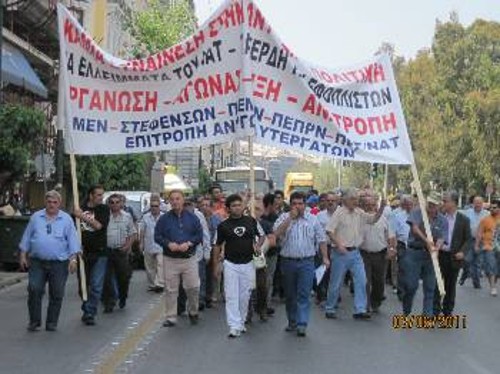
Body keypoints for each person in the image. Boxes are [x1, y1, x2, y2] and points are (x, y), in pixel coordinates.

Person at [19, 190, 80, 332]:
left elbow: (72, 240)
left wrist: (73, 259)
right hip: (37, 262)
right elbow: (27, 237)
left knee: (57, 293)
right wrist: (23, 255)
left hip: (59, 263)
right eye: (49, 202)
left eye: (55, 202)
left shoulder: (66, 219)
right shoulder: (36, 217)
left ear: (59, 203)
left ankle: (51, 322)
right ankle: (34, 321)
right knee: (34, 289)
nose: (51, 205)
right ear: (45, 202)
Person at [325, 188, 386, 320]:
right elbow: (329, 231)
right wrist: (339, 245)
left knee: (362, 280)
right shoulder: (339, 213)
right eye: (353, 199)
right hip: (341, 252)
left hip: (355, 252)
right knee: (336, 282)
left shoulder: (359, 212)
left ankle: (360, 309)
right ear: (345, 200)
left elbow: (373, 219)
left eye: (357, 199)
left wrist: (381, 208)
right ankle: (330, 307)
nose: (356, 202)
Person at [274, 191, 329, 337]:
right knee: (290, 295)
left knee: (303, 294)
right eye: (294, 204)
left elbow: (321, 239)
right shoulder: (284, 218)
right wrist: (289, 220)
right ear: (290, 205)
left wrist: (325, 257)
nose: (297, 206)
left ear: (305, 205)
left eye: (300, 203)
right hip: (288, 262)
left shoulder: (313, 219)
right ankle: (292, 321)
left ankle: (302, 323)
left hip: (307, 262)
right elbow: (276, 234)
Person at [213, 194, 265, 337]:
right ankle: (233, 325)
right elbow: (217, 245)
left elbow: (262, 235)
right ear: (229, 208)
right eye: (233, 205)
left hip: (248, 263)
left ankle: (241, 322)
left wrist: (258, 246)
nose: (237, 208)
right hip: (230, 264)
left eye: (239, 205)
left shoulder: (251, 221)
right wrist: (217, 263)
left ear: (243, 206)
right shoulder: (223, 225)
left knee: (244, 295)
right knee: (231, 295)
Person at [155, 190, 203, 327]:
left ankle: (193, 311)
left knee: (193, 287)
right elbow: (157, 236)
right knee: (170, 289)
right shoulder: (164, 219)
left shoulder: (193, 218)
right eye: (172, 199)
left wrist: (188, 243)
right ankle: (171, 317)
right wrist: (168, 244)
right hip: (170, 258)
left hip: (189, 258)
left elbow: (199, 235)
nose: (175, 202)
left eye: (178, 199)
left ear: (183, 200)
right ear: (169, 202)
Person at [402, 192, 446, 316]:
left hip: (430, 256)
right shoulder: (417, 212)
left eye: (434, 204)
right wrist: (427, 241)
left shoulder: (442, 220)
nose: (431, 206)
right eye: (430, 203)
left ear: (439, 205)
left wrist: (437, 248)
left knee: (430, 287)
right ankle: (406, 311)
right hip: (414, 253)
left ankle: (427, 316)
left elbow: (442, 237)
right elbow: (414, 229)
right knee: (411, 286)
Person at [75, 184, 110, 326]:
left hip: (100, 252)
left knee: (96, 285)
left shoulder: (103, 209)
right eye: (98, 195)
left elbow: (98, 226)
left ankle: (90, 312)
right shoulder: (80, 207)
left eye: (102, 195)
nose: (101, 198)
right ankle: (87, 308)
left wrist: (81, 216)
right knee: (83, 286)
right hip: (83, 253)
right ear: (91, 196)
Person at [433, 192, 471, 315]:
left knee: (450, 285)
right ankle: (435, 310)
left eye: (445, 201)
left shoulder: (463, 220)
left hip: (454, 257)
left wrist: (462, 252)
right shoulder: (438, 217)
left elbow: (468, 239)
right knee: (437, 284)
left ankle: (447, 311)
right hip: (440, 255)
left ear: (453, 203)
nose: (443, 203)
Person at [102, 193, 137, 313]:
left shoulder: (127, 216)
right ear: (108, 204)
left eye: (117, 202)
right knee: (106, 278)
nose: (115, 204)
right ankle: (109, 302)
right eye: (112, 202)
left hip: (121, 251)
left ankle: (123, 297)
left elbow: (133, 233)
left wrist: (127, 246)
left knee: (123, 277)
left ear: (121, 203)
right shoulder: (105, 216)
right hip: (107, 251)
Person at [360, 195, 394, 313]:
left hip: (380, 254)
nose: (370, 207)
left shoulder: (384, 219)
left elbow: (391, 236)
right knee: (365, 280)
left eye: (373, 205)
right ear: (363, 206)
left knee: (379, 281)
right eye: (367, 205)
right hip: (363, 254)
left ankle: (376, 301)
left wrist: (391, 249)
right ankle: (366, 305)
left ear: (377, 206)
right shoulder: (360, 218)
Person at [460, 196, 489, 288]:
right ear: (473, 204)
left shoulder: (487, 214)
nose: (478, 205)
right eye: (476, 203)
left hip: (481, 241)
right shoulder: (467, 213)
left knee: (477, 263)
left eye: (480, 203)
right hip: (469, 240)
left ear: (483, 204)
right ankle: (465, 273)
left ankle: (476, 283)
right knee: (467, 261)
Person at [198, 197, 223, 308]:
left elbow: (222, 235)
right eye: (202, 205)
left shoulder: (217, 219)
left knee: (213, 274)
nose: (205, 207)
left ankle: (211, 296)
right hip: (201, 249)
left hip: (214, 249)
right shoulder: (197, 218)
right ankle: (201, 298)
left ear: (211, 207)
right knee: (201, 274)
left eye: (207, 205)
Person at [315, 192, 339, 303]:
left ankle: (334, 294)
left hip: (338, 247)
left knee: (335, 272)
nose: (330, 203)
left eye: (333, 201)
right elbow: (317, 233)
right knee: (323, 272)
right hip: (324, 247)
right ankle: (321, 295)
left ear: (337, 202)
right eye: (328, 200)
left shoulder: (341, 215)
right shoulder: (320, 216)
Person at [388, 195, 414, 300]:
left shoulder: (418, 216)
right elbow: (393, 232)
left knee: (411, 269)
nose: (409, 206)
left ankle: (409, 289)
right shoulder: (398, 216)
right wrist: (392, 247)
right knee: (402, 268)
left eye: (411, 204)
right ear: (403, 205)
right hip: (402, 244)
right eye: (407, 204)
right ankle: (401, 291)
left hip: (413, 245)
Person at [260, 193, 280, 316]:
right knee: (258, 280)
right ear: (269, 204)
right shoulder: (259, 217)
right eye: (275, 204)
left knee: (268, 279)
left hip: (272, 253)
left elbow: (276, 237)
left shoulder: (276, 217)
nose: (277, 206)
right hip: (259, 254)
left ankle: (266, 305)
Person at [139, 194, 164, 293]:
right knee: (149, 267)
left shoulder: (164, 217)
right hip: (149, 244)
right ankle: (152, 284)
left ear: (159, 207)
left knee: (160, 264)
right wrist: (141, 243)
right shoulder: (145, 217)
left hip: (161, 246)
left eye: (156, 206)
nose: (154, 208)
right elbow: (142, 231)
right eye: (152, 206)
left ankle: (160, 284)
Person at [475, 200, 500, 296]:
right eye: (491, 208)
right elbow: (479, 233)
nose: (492, 209)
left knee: (497, 269)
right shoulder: (485, 220)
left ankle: (494, 281)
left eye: (494, 208)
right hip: (488, 247)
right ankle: (493, 287)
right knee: (491, 266)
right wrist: (477, 245)